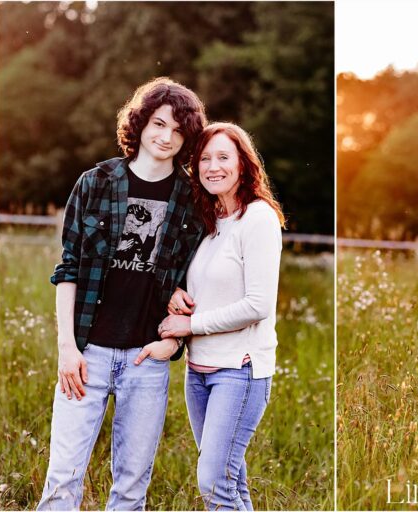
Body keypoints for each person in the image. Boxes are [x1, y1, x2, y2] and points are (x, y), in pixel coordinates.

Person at [40, 77, 207, 510]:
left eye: (178, 130)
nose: (166, 137)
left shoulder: (194, 199)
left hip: (145, 360)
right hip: (87, 353)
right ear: (140, 123)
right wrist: (67, 348)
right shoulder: (95, 183)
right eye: (158, 123)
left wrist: (171, 342)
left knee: (132, 489)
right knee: (62, 480)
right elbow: (69, 269)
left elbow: (201, 281)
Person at [157, 122, 285, 510]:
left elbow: (258, 304)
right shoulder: (209, 224)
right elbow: (207, 289)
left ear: (243, 165)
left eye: (223, 157)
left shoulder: (258, 218)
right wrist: (178, 296)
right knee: (230, 481)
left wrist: (189, 325)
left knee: (213, 481)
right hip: (199, 373)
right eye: (205, 159)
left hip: (240, 370)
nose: (213, 166)